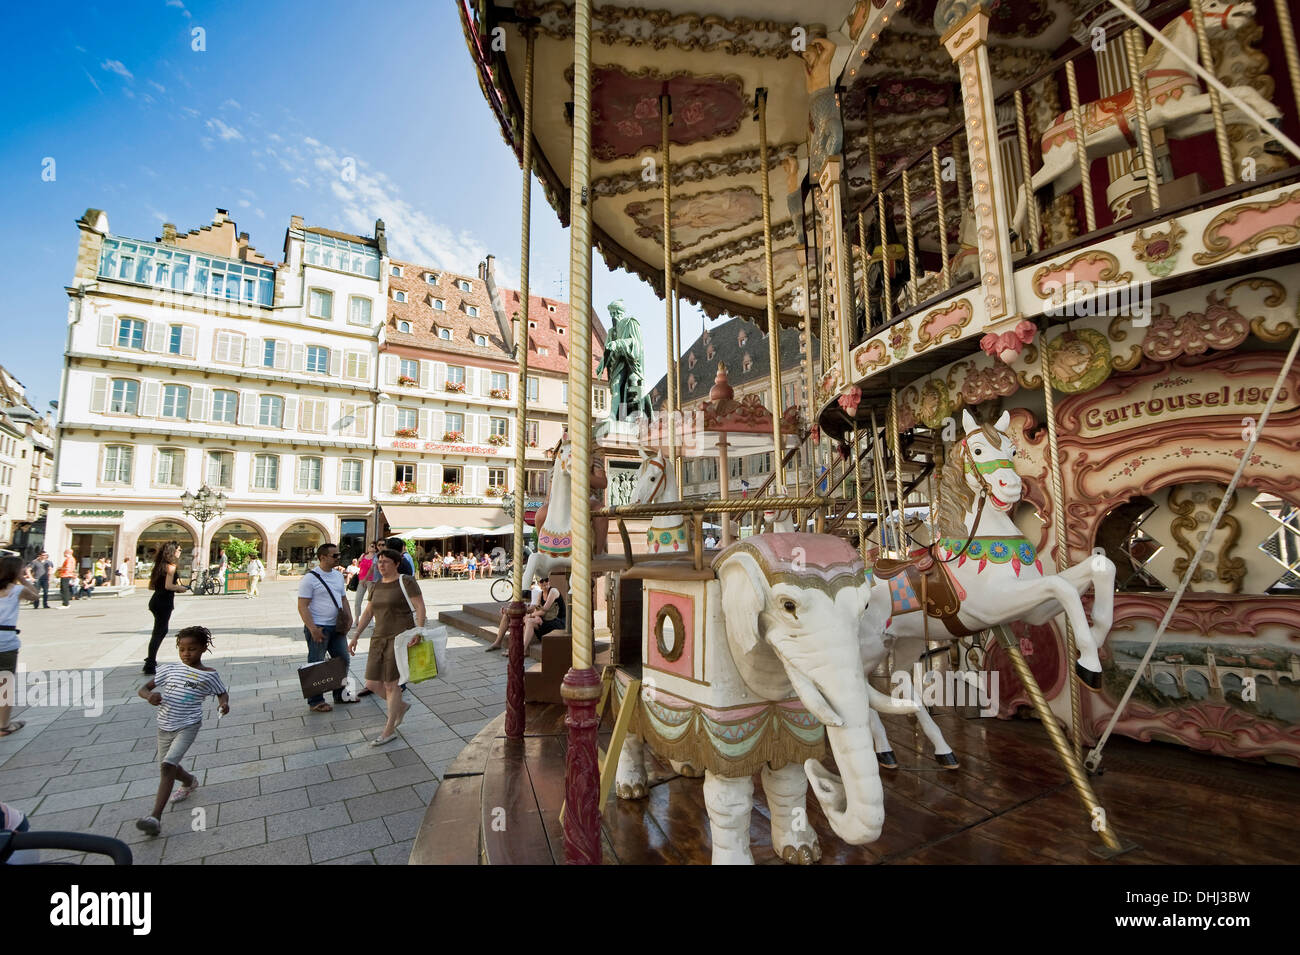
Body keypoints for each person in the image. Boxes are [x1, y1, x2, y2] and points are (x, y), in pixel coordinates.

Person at [135, 625, 229, 836]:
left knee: (167, 767)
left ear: (204, 648)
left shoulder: (209, 675)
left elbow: (222, 693)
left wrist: (223, 704)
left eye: (192, 649)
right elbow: (143, 689)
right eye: (182, 649)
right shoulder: (169, 670)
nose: (187, 653)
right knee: (168, 765)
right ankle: (189, 781)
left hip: (188, 725)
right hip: (164, 725)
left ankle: (155, 818)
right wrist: (149, 696)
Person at [349, 548, 424, 746]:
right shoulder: (375, 585)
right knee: (372, 684)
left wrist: (418, 631)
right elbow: (368, 612)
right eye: (379, 562)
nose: (381, 565)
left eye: (385, 562)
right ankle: (401, 706)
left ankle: (389, 729)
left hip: (400, 638)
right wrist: (356, 635)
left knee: (392, 684)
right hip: (378, 638)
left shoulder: (406, 581)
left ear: (396, 564)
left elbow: (420, 607)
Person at [297, 542, 354, 713]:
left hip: (336, 627)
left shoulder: (337, 576)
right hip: (319, 627)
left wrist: (349, 617)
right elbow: (302, 606)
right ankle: (315, 701)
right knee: (317, 663)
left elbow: (343, 599)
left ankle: (341, 694)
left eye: (338, 554)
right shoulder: (310, 578)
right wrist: (313, 628)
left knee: (343, 659)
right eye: (334, 555)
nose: (338, 557)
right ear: (322, 557)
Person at [0, 555, 40, 738]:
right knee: (4, 685)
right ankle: (3, 725)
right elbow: (35, 596)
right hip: (6, 641)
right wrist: (23, 579)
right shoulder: (17, 590)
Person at [143, 542, 189, 675]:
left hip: (156, 600)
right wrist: (180, 588)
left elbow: (156, 586)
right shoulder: (171, 566)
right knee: (159, 632)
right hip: (164, 601)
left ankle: (150, 661)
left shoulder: (160, 565)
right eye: (179, 549)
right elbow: (169, 586)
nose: (180, 551)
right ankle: (150, 663)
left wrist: (176, 588)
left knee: (159, 631)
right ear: (173, 551)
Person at [485, 575, 543, 652]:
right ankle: (498, 642)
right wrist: (508, 610)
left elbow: (532, 609)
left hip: (532, 615)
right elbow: (515, 603)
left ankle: (515, 647)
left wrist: (514, 611)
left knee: (515, 617)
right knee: (506, 615)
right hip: (523, 613)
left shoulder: (536, 591)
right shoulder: (522, 590)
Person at [518, 572, 566, 660]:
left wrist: (531, 615)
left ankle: (522, 649)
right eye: (542, 581)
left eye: (546, 580)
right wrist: (534, 616)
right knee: (529, 621)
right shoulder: (540, 594)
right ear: (538, 583)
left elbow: (544, 610)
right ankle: (523, 649)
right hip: (546, 621)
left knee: (529, 619)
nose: (544, 583)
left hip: (557, 622)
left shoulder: (553, 591)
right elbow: (537, 609)